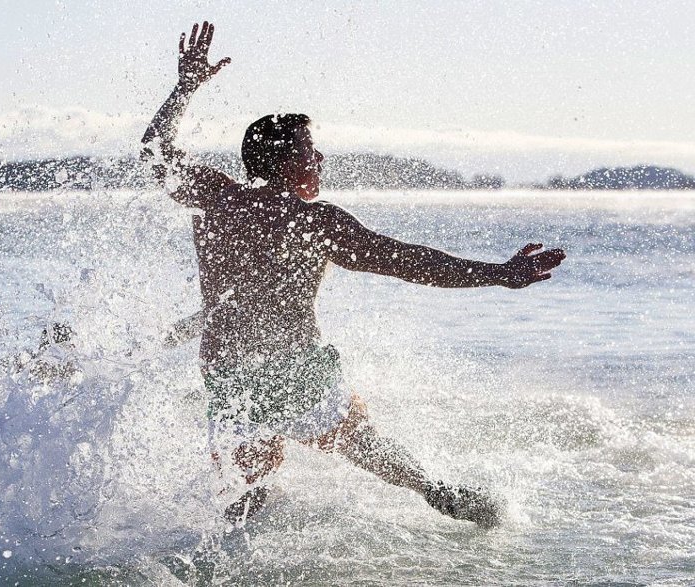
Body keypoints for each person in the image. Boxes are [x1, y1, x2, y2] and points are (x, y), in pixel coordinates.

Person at [141, 22, 566, 528]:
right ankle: (433, 489)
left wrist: (187, 85)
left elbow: (153, 151)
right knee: (365, 444)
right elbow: (409, 262)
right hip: (297, 370)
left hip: (229, 376)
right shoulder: (316, 221)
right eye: (307, 148)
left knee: (249, 499)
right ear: (282, 160)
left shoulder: (216, 199)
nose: (318, 157)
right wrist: (499, 273)